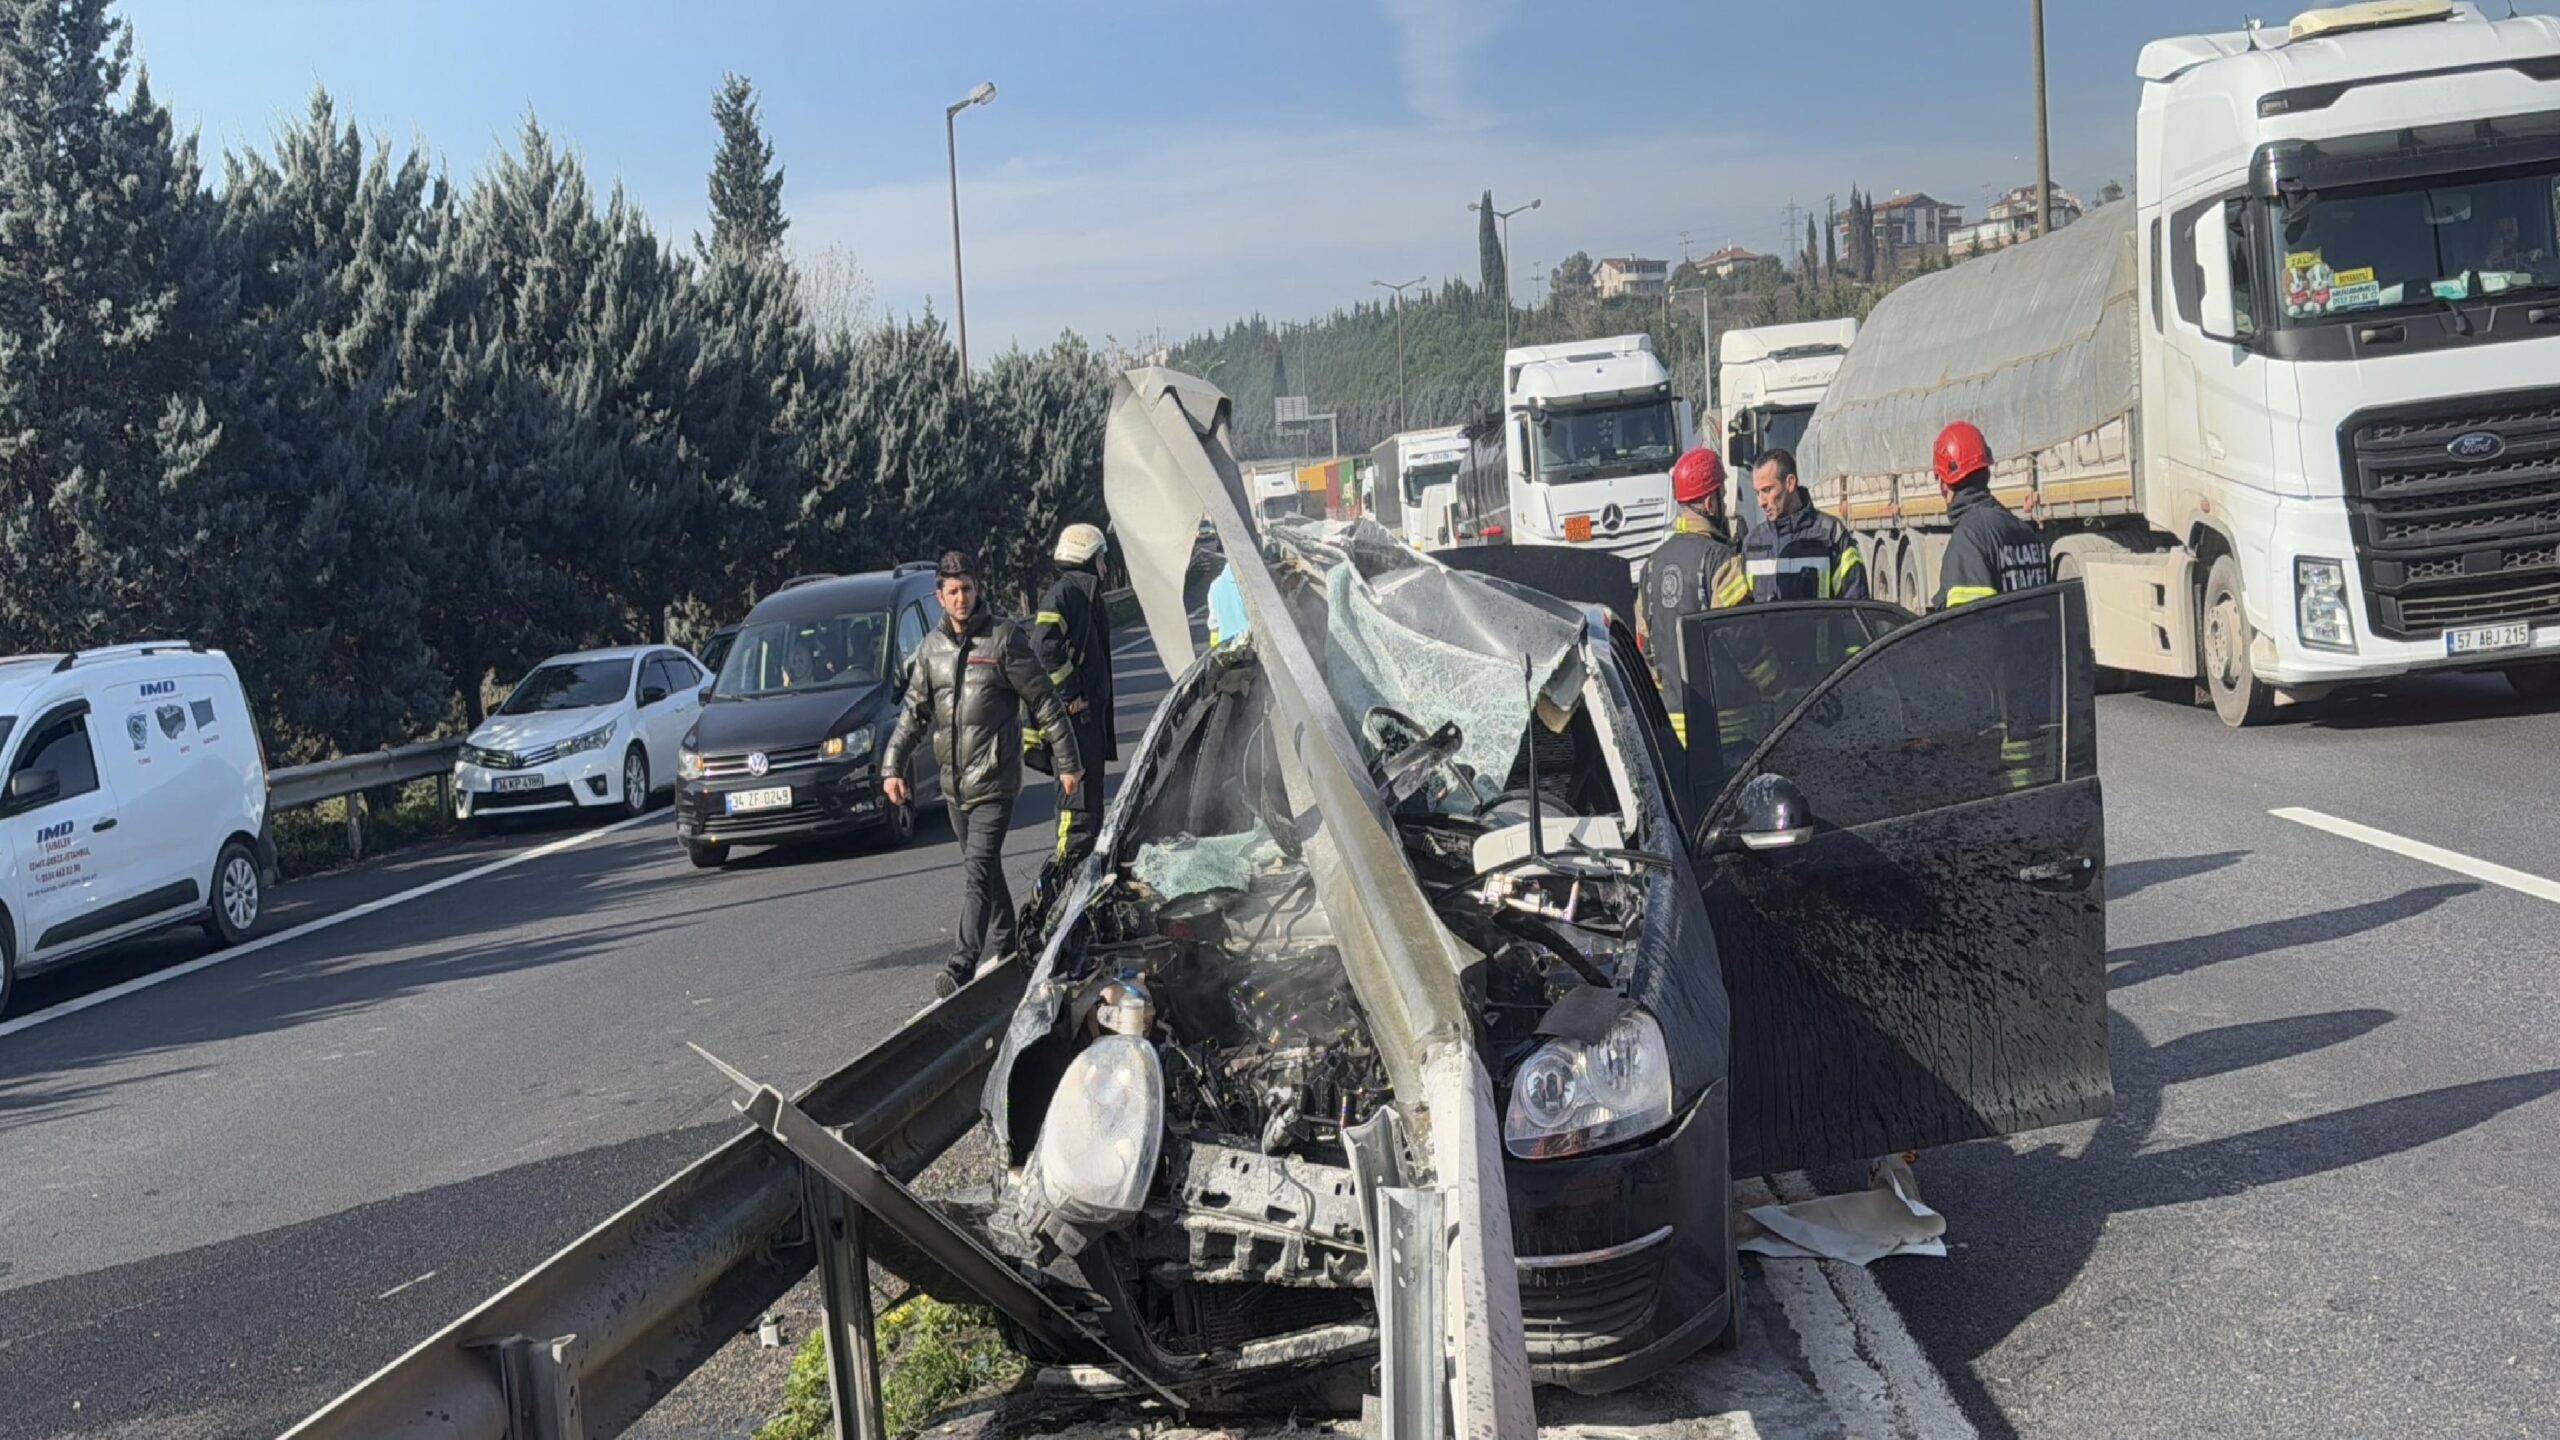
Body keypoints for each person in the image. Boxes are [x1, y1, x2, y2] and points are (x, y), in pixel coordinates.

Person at [883, 551, 1083, 998]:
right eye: (952, 591)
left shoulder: (1003, 639)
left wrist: (1067, 764)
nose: (961, 599)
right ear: (940, 596)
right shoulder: (931, 651)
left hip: (996, 780)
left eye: (967, 589)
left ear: (978, 590)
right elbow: (913, 715)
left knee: (975, 869)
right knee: (986, 871)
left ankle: (960, 965)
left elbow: (1046, 702)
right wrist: (892, 766)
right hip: (955, 787)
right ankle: (1011, 949)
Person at [1636, 448, 1750, 746]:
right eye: (1722, 496)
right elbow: (1744, 639)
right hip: (1727, 725)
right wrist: (1778, 687)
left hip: (1672, 727)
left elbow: (1645, 646)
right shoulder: (1721, 560)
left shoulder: (1651, 565)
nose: (1723, 504)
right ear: (1710, 502)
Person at [1031, 523, 1116, 874]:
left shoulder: (1083, 594)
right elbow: (1043, 645)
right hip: (1076, 724)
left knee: (1090, 806)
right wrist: (1073, 692)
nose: (1106, 568)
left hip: (1089, 722)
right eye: (1101, 559)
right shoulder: (1066, 595)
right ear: (1086, 558)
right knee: (1076, 809)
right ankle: (1067, 875)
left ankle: (1085, 873)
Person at [1931, 421, 2050, 608]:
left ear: (1942, 484)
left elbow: (1969, 627)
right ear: (1986, 472)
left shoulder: (1968, 540)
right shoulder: (2027, 533)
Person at [1745, 448, 1869, 602]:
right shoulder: (1752, 543)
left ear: (1790, 483)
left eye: (1767, 490)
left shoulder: (1831, 536)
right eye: (1757, 493)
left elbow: (1855, 604)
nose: (1761, 502)